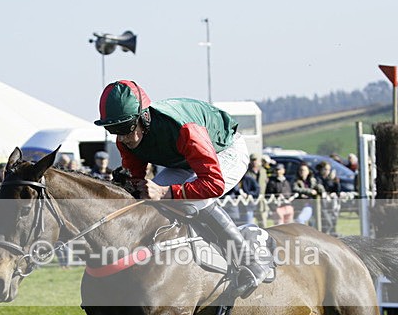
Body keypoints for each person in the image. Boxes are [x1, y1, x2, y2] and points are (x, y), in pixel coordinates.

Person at [94, 79, 268, 298]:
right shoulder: (125, 138)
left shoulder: (186, 130)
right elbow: (136, 182)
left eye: (125, 128)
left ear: (144, 117)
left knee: (192, 200)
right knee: (148, 199)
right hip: (185, 160)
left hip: (225, 150)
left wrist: (167, 193)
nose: (122, 137)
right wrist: (127, 184)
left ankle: (250, 262)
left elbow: (213, 184)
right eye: (113, 129)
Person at [315, 161, 342, 235]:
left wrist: (336, 182)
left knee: (334, 218)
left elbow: (337, 191)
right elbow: (320, 187)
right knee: (327, 221)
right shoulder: (317, 177)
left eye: (329, 169)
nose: (327, 171)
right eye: (326, 169)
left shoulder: (330, 178)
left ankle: (333, 232)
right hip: (322, 203)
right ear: (321, 169)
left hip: (331, 202)